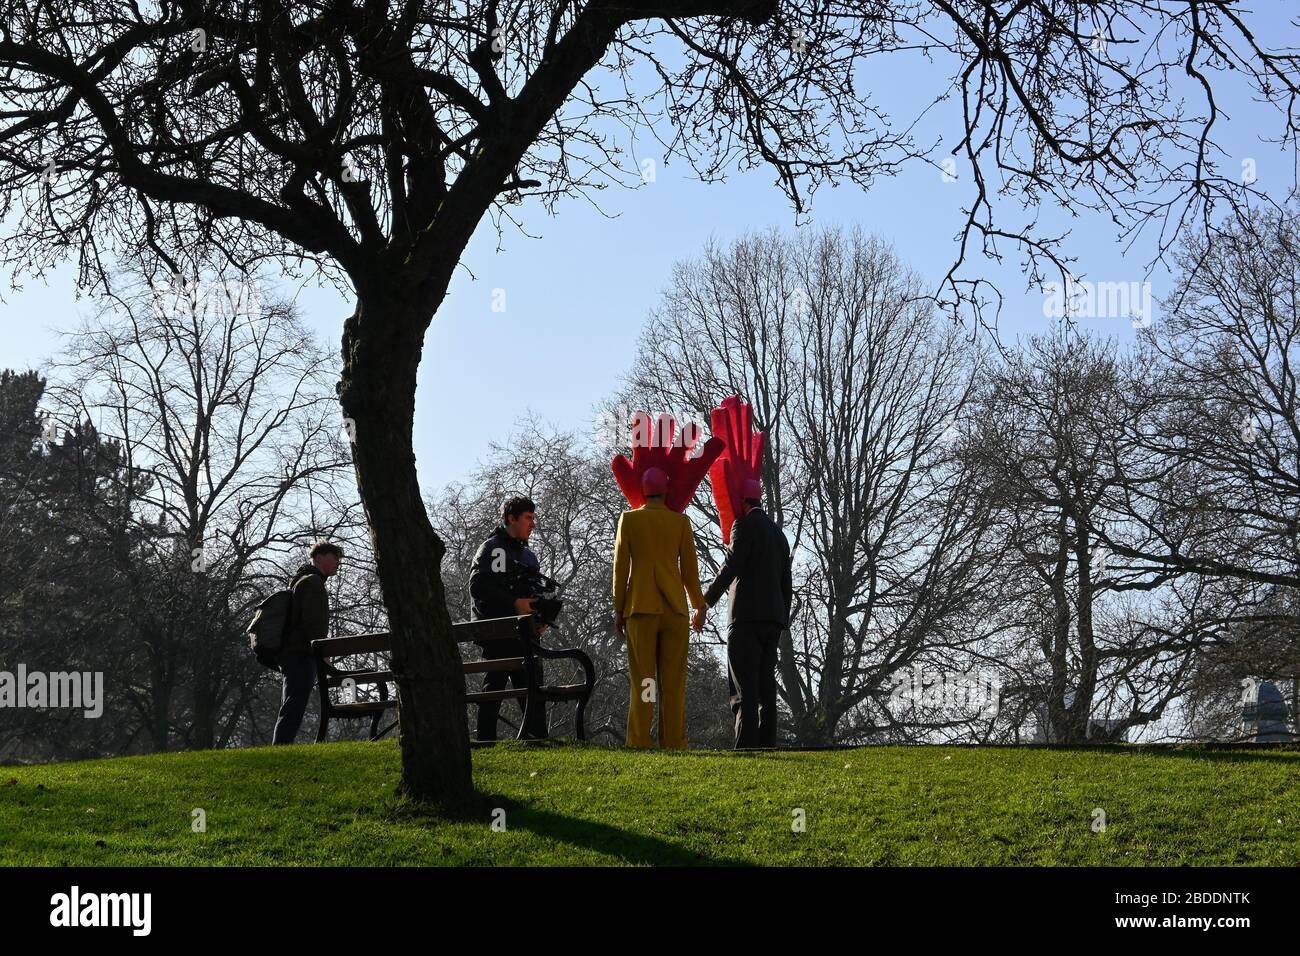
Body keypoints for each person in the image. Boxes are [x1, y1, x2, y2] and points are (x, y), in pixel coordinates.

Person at [613, 467, 707, 749]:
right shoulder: (680, 523)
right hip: (675, 610)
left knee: (645, 680)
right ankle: (674, 742)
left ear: (642, 491)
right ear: (665, 491)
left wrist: (619, 608)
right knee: (673, 683)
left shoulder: (629, 520)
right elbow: (690, 572)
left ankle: (640, 740)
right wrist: (698, 606)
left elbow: (621, 568)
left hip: (640, 608)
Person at [696, 478, 792, 748]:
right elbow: (787, 583)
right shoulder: (778, 535)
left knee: (743, 689)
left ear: (741, 501)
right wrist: (781, 618)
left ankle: (746, 747)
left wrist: (705, 601)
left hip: (745, 619)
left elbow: (732, 565)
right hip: (773, 620)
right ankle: (767, 745)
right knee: (766, 687)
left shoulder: (743, 525)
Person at [469, 495, 549, 740]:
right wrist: (514, 603)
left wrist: (540, 615)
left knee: (531, 684)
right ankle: (486, 740)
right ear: (510, 519)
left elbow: (533, 592)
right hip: (499, 634)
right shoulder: (494, 549)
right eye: (528, 518)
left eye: (533, 518)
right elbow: (479, 587)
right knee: (496, 685)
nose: (533, 523)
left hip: (523, 632)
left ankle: (536, 739)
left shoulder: (529, 557)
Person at [273, 541, 343, 745]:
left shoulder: (303, 580)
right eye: (334, 556)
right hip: (301, 653)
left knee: (291, 703)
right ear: (319, 558)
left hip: (292, 652)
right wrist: (323, 653)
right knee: (293, 705)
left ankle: (281, 747)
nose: (338, 562)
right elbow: (314, 625)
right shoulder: (313, 582)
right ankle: (281, 748)